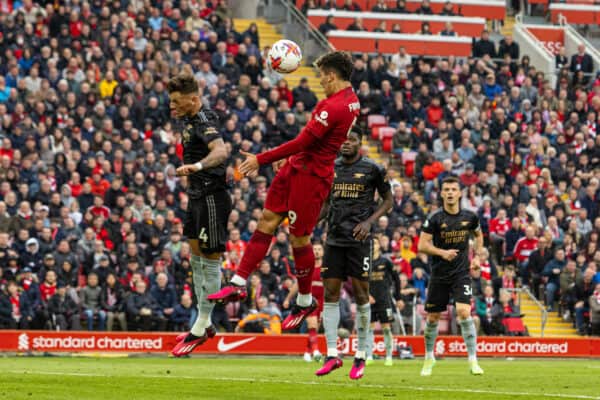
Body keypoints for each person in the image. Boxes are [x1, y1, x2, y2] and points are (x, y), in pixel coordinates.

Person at [208, 51, 360, 333]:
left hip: (312, 177)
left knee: (299, 238)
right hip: (296, 167)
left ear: (331, 75)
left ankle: (304, 301)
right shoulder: (351, 102)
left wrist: (260, 159)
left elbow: (304, 140)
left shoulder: (335, 107)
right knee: (266, 219)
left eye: (322, 77)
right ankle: (238, 283)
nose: (321, 82)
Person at [314, 127, 393, 380]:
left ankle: (360, 356)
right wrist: (314, 220)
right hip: (334, 239)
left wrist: (370, 222)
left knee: (361, 295)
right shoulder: (331, 166)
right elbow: (327, 202)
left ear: (360, 143)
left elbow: (388, 201)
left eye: (352, 140)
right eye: (344, 139)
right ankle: (332, 354)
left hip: (359, 240)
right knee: (330, 294)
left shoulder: (373, 169)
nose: (347, 143)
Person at [167, 73, 231, 356]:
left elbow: (221, 151)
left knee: (209, 261)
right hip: (195, 197)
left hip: (211, 198)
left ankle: (203, 323)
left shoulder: (204, 121)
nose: (172, 106)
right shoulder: (190, 120)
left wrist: (197, 167)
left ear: (193, 99)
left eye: (177, 101)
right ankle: (201, 321)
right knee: (195, 260)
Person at [418, 175, 484, 376]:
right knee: (433, 318)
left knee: (464, 312)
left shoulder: (470, 217)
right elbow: (422, 245)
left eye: (453, 190)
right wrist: (442, 253)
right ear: (441, 193)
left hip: (461, 273)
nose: (450, 193)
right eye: (446, 190)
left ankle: (473, 360)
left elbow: (479, 235)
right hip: (439, 274)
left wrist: (477, 257)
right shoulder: (435, 219)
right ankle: (429, 357)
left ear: (460, 193)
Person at [366, 237, 400, 366]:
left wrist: (399, 297)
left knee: (386, 328)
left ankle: (389, 356)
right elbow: (359, 281)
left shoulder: (386, 262)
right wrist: (366, 295)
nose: (372, 245)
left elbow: (396, 279)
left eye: (374, 243)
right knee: (370, 328)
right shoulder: (365, 262)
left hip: (384, 300)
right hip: (369, 301)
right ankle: (369, 355)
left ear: (379, 246)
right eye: (370, 243)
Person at [303, 242, 325, 363]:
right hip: (309, 299)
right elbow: (299, 282)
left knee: (315, 327)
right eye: (314, 249)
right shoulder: (307, 266)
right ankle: (316, 351)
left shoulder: (326, 266)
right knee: (312, 325)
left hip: (322, 300)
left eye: (319, 249)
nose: (316, 251)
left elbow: (329, 283)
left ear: (323, 252)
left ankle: (307, 352)